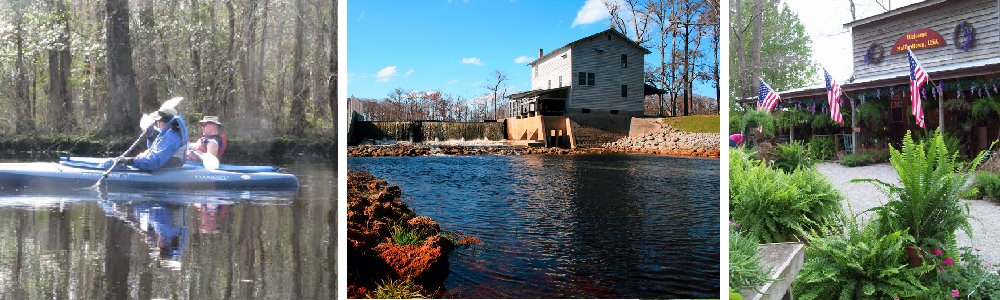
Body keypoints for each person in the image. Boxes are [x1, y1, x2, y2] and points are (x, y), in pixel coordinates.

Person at [102, 107, 189, 171]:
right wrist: (150, 137)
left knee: (109, 164)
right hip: (165, 166)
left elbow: (154, 162)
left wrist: (129, 161)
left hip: (166, 170)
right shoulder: (170, 133)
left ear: (165, 122)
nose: (157, 125)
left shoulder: (173, 137)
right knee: (109, 162)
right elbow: (155, 150)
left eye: (158, 122)